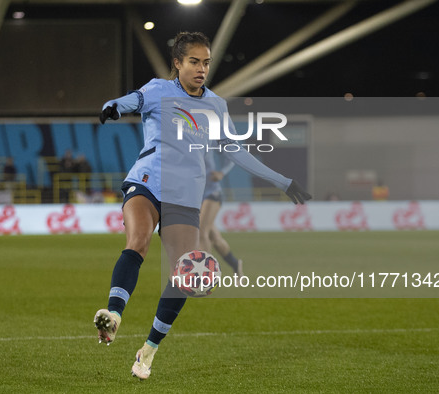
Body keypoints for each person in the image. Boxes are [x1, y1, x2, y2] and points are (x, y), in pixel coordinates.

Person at [94, 31, 311, 380]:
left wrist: (282, 181)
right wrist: (114, 106)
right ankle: (115, 314)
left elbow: (236, 151)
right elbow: (131, 100)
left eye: (206, 62)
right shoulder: (158, 90)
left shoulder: (216, 106)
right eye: (193, 61)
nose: (201, 68)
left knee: (187, 274)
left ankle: (147, 352)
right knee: (137, 242)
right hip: (148, 180)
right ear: (177, 63)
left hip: (186, 195)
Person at [198, 150, 244, 277]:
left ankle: (206, 275)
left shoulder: (207, 139)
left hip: (211, 192)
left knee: (201, 232)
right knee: (215, 239)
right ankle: (235, 264)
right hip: (196, 196)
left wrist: (222, 173)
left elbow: (232, 156)